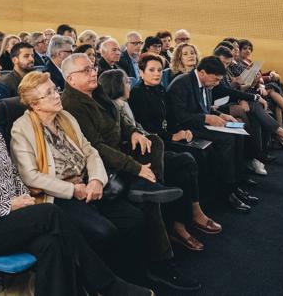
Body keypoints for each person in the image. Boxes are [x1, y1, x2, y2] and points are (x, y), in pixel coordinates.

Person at [0, 76, 153, 296]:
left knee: (52, 244)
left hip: (9, 220)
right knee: (49, 213)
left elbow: (13, 176)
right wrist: (10, 205)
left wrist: (24, 198)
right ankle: (108, 285)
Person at [60, 53, 199, 290]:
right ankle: (161, 262)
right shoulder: (72, 105)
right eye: (86, 70)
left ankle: (151, 185)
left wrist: (133, 131)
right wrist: (135, 167)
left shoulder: (96, 92)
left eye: (92, 67)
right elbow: (95, 147)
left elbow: (120, 119)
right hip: (102, 166)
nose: (94, 71)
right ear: (71, 79)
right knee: (149, 206)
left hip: (120, 152)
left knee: (152, 140)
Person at [127, 55, 222, 251]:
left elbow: (172, 118)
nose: (156, 74)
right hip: (152, 147)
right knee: (187, 161)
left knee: (202, 151)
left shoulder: (161, 90)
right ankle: (183, 222)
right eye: (151, 70)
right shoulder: (137, 94)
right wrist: (172, 137)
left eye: (158, 70)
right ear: (141, 72)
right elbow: (146, 128)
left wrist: (181, 132)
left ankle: (197, 209)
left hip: (168, 138)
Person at [166, 56, 258, 213]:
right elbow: (179, 116)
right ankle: (226, 192)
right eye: (215, 80)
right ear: (202, 73)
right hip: (184, 128)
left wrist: (220, 114)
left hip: (199, 123)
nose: (217, 83)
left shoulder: (205, 83)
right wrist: (207, 118)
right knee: (227, 139)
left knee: (239, 132)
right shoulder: (182, 84)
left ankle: (235, 184)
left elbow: (204, 108)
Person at [212, 46, 283, 158]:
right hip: (218, 107)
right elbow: (226, 91)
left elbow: (231, 91)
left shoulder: (224, 71)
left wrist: (251, 88)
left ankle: (258, 157)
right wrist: (252, 97)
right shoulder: (212, 72)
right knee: (255, 106)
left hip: (227, 102)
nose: (224, 66)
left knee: (256, 112)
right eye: (223, 62)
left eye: (227, 63)